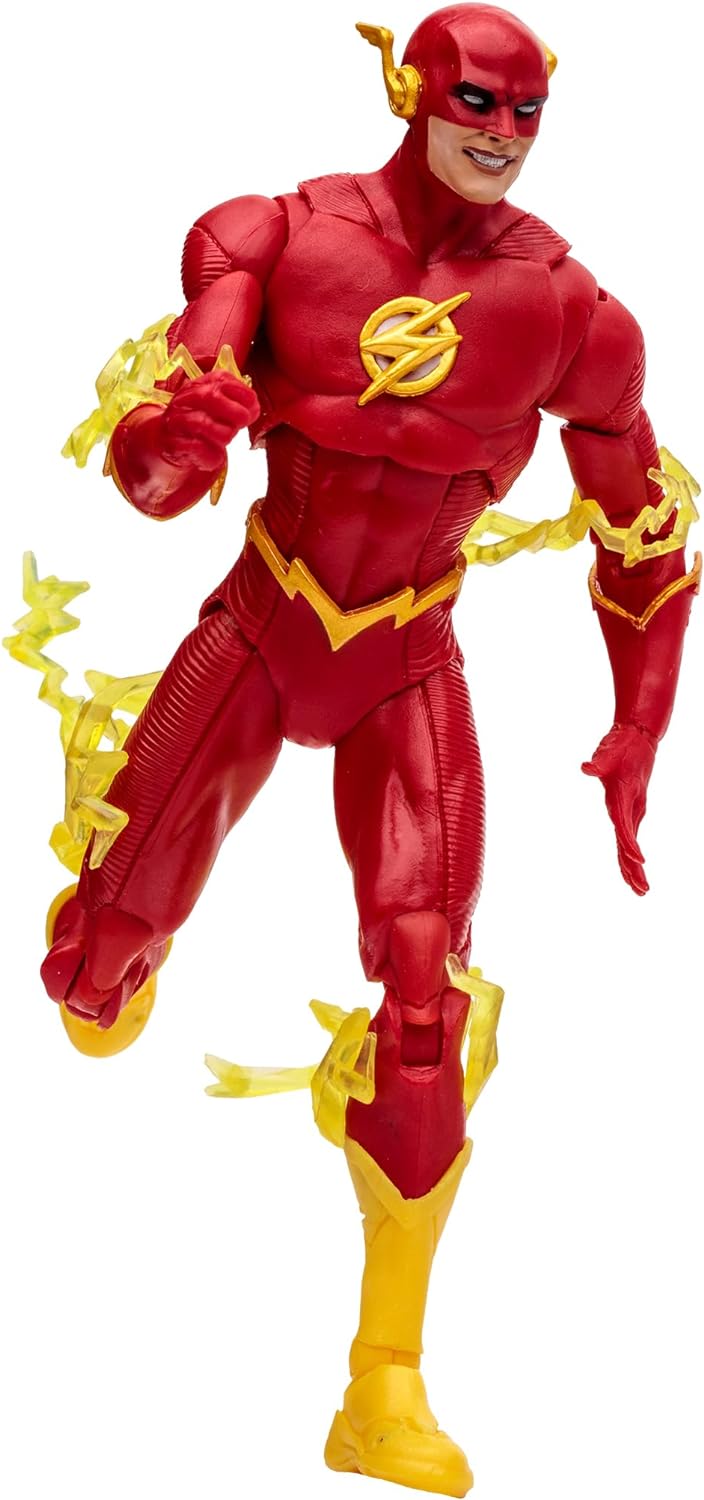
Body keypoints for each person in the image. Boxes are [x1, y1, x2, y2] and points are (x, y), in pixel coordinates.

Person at [39, 7, 698, 1494]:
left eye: (527, 113)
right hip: (263, 622)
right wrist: (182, 436)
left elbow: (646, 535)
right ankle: (111, 945)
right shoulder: (271, 237)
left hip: (407, 655)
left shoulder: (572, 314)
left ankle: (381, 1384)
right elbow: (153, 472)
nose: (502, 135)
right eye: (476, 102)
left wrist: (640, 720)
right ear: (410, 86)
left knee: (423, 1014)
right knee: (93, 978)